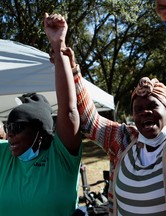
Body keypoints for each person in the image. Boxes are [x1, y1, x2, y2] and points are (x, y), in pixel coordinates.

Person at [65, 0, 166, 215]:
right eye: (138, 108)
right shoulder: (122, 141)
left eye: (152, 105)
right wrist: (71, 69)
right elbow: (88, 121)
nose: (144, 112)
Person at [0, 14, 82, 216]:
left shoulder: (60, 158)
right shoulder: (4, 156)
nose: (10, 134)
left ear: (40, 131)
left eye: (17, 127)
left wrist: (58, 45)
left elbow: (69, 111)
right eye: (8, 127)